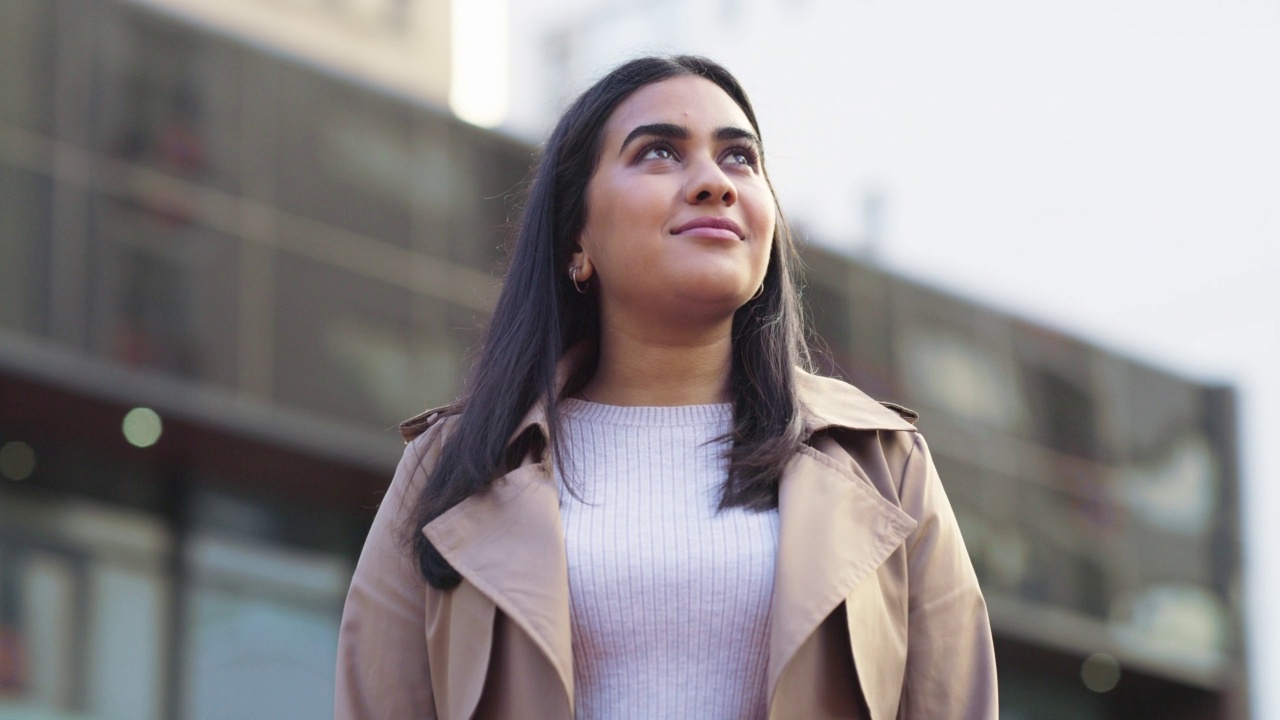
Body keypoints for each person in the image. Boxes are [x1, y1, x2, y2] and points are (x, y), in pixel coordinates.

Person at [335, 55, 998, 720]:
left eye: (740, 158)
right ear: (577, 235)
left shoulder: (883, 461)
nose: (715, 182)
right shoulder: (450, 467)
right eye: (658, 152)